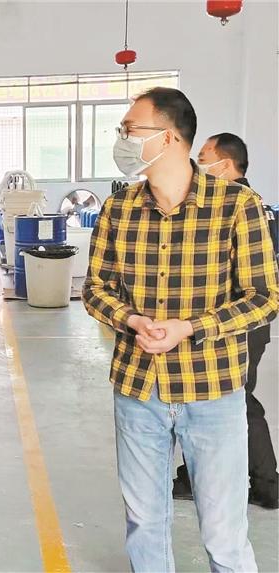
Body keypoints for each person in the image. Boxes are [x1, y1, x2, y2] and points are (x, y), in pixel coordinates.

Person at [83, 87, 279, 572]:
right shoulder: (118, 208)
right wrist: (131, 319)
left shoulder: (236, 205)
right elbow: (95, 289)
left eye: (131, 129)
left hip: (212, 390)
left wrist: (190, 328)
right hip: (138, 390)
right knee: (144, 523)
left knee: (224, 532)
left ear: (169, 137)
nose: (122, 139)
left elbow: (264, 297)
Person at [169, 133, 278, 510]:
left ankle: (264, 483)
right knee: (225, 399)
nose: (198, 165)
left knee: (229, 401)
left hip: (234, 324)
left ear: (225, 165)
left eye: (203, 158)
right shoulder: (256, 204)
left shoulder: (239, 206)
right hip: (236, 323)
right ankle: (213, 478)